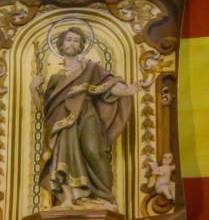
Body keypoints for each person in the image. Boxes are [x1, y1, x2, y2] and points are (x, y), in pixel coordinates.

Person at [29, 25, 137, 211]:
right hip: (62, 122)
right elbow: (45, 109)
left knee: (94, 151)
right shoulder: (55, 78)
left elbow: (109, 85)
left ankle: (106, 198)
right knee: (63, 156)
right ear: (61, 44)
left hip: (87, 115)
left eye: (76, 40)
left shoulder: (90, 68)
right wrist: (33, 87)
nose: (72, 43)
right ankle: (69, 199)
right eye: (68, 39)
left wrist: (126, 90)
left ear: (81, 46)